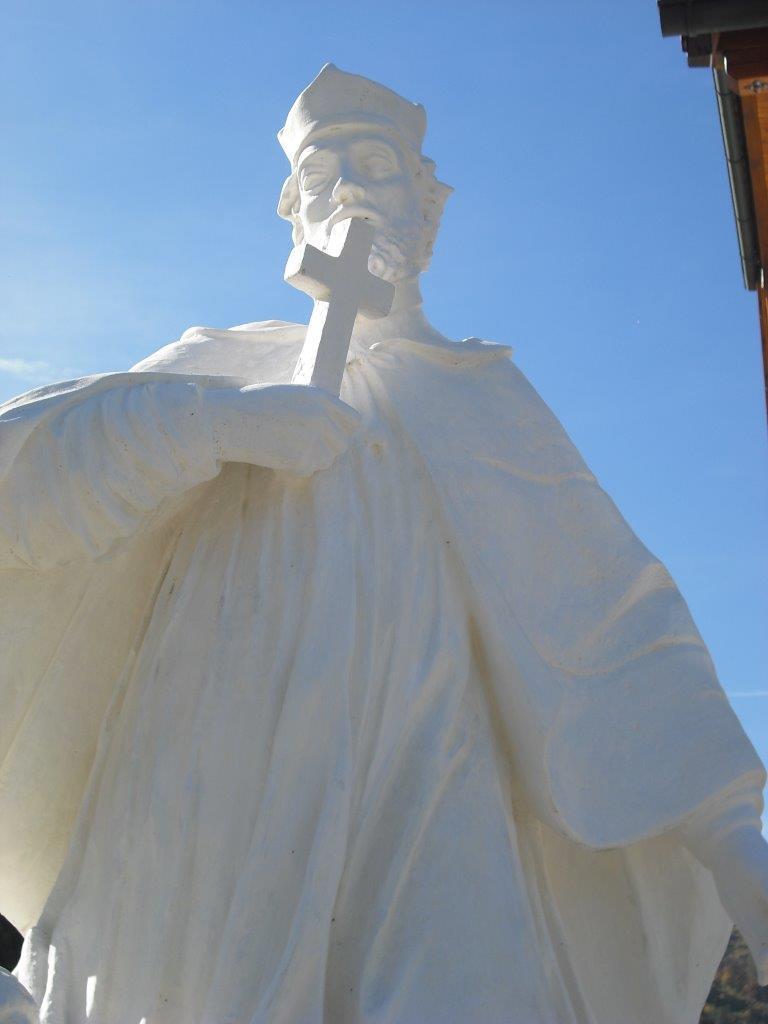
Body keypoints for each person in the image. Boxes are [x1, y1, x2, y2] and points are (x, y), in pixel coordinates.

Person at [0, 64, 766, 1024]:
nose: (352, 192)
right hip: (215, 783)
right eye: (323, 174)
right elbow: (24, 477)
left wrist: (734, 841)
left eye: (377, 164)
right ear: (292, 212)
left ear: (427, 210)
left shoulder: (479, 400)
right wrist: (219, 425)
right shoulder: (230, 368)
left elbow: (615, 617)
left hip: (432, 779)